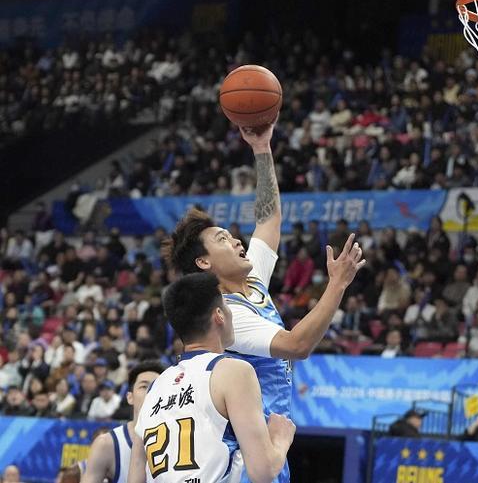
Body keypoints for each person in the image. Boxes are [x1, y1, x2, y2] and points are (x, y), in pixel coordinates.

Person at [162, 122, 364, 482]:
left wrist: (262, 148)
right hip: (244, 458)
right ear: (204, 263)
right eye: (223, 240)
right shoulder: (226, 314)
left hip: (266, 446)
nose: (237, 241)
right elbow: (297, 345)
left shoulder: (252, 282)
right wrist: (337, 284)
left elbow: (269, 217)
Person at [128, 273, 296, 483]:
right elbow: (262, 472)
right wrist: (280, 440)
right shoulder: (233, 371)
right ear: (219, 315)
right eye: (227, 306)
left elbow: (135, 477)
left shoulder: (155, 386)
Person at [81, 361, 165, 483]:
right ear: (130, 397)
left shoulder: (180, 438)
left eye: (156, 386)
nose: (150, 392)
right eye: (144, 386)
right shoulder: (106, 444)